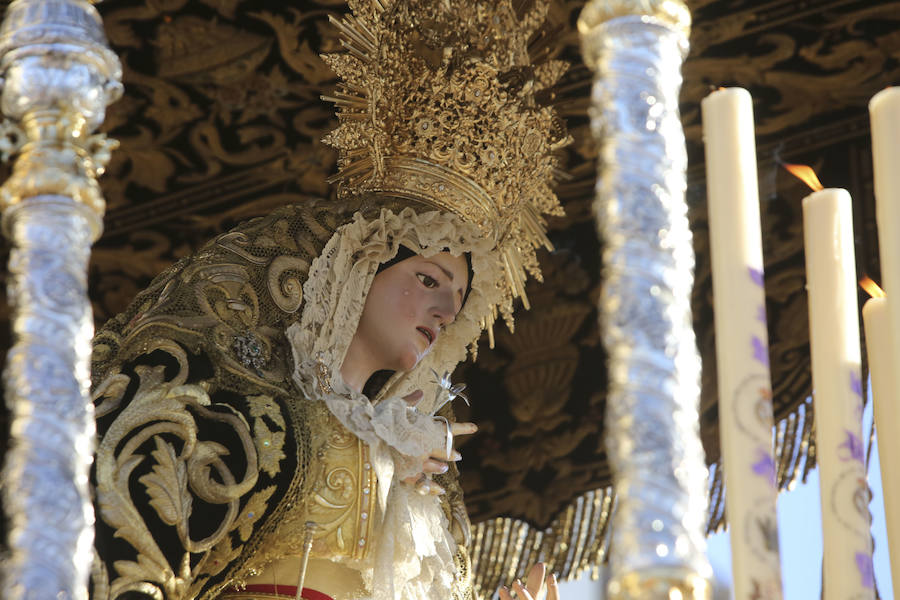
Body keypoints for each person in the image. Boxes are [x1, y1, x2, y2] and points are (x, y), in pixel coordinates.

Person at [89, 0, 569, 598]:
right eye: (427, 279)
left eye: (459, 297)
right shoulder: (246, 419)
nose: (446, 313)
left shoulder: (426, 480)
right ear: (358, 269)